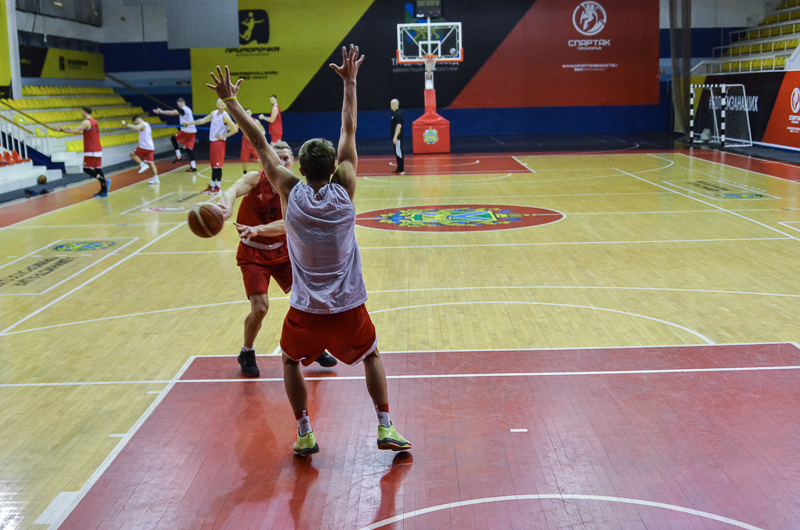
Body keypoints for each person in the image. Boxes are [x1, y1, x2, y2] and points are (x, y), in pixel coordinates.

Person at [208, 46, 411, 456]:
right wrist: (350, 83)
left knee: (288, 361)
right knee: (371, 356)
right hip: (348, 305)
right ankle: (385, 426)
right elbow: (348, 130)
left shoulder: (289, 191)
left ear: (298, 168)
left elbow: (258, 140)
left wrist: (231, 101)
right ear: (335, 168)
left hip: (306, 309)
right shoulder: (346, 188)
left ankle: (304, 431)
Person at [218, 140, 337, 377]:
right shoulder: (255, 178)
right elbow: (231, 190)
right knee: (260, 308)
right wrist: (227, 207)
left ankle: (313, 346)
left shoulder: (296, 189)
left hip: (283, 253)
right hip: (253, 253)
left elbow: (287, 224)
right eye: (277, 157)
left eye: (285, 158)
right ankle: (247, 351)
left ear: (293, 162)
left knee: (311, 300)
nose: (281, 162)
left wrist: (259, 229)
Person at [54, 106, 108, 197]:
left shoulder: (86, 122)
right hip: (98, 148)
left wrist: (61, 130)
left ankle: (103, 181)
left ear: (85, 112)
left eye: (82, 111)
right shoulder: (94, 121)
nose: (81, 113)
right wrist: (68, 130)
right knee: (97, 169)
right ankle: (104, 190)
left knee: (86, 168)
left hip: (91, 149)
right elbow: (80, 132)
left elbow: (76, 130)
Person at [188, 99, 239, 194]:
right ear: (216, 105)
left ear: (225, 106)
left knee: (218, 166)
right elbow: (203, 120)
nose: (220, 107)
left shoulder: (225, 117)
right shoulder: (214, 113)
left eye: (222, 105)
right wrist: (190, 123)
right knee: (213, 166)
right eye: (218, 105)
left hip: (219, 143)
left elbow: (235, 129)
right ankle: (212, 185)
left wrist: (224, 136)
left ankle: (218, 187)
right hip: (213, 143)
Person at [154, 98, 198, 173]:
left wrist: (161, 112)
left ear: (180, 103)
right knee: (189, 149)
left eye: (178, 104)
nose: (178, 105)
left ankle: (178, 155)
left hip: (187, 131)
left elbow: (172, 112)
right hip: (193, 131)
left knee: (173, 138)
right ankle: (193, 166)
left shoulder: (184, 109)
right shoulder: (188, 109)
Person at [122, 116, 159, 185]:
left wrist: (126, 124)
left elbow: (136, 127)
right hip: (150, 147)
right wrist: (130, 126)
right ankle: (156, 179)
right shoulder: (147, 124)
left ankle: (142, 165)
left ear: (137, 120)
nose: (136, 124)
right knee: (151, 163)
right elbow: (134, 127)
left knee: (132, 154)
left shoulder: (143, 124)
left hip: (144, 146)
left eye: (135, 123)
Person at [239, 108, 266, 175]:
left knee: (259, 159)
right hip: (245, 143)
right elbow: (235, 127)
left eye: (248, 112)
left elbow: (263, 130)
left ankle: (264, 173)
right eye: (246, 112)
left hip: (254, 143)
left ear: (251, 113)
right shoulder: (241, 121)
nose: (247, 114)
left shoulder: (255, 121)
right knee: (244, 159)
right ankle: (244, 174)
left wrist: (259, 138)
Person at [389, 99, 404, 175]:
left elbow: (399, 126)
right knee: (397, 152)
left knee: (399, 152)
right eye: (391, 104)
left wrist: (395, 137)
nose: (391, 105)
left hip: (398, 137)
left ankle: (401, 169)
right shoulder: (394, 113)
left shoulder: (398, 114)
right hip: (395, 137)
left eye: (392, 104)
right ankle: (399, 168)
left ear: (397, 104)